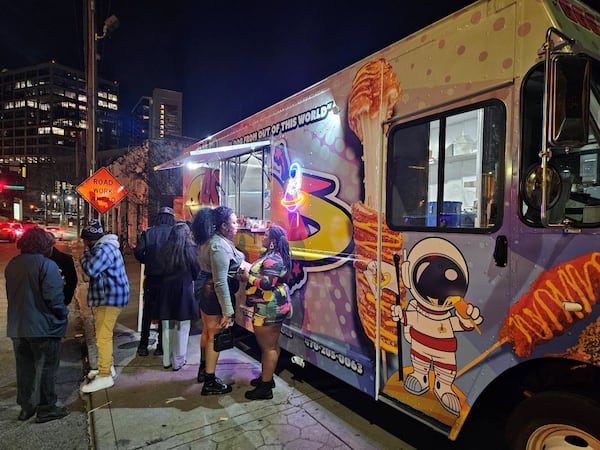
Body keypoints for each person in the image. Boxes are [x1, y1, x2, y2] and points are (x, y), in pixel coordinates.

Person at [5, 227, 70, 422]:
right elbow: (54, 298)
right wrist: (62, 314)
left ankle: (26, 407)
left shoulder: (12, 265)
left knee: (24, 368)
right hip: (44, 326)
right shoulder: (47, 265)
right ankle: (47, 407)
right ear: (44, 246)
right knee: (47, 367)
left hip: (18, 326)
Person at [191, 205, 244, 395]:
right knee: (214, 336)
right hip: (214, 293)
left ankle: (203, 370)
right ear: (223, 226)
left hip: (206, 290)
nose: (237, 226)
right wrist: (228, 311)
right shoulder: (218, 246)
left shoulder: (210, 241)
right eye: (234, 222)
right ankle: (210, 382)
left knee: (207, 332)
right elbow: (220, 282)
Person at [238, 224, 292, 400]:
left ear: (273, 241)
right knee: (272, 345)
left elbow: (268, 283)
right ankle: (266, 378)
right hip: (271, 306)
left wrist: (248, 277)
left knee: (267, 347)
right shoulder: (273, 256)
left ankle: (265, 388)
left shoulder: (273, 259)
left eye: (266, 235)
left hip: (268, 308)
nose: (263, 236)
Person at [79, 219, 130, 393]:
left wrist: (84, 255)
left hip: (111, 297)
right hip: (109, 296)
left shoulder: (104, 249)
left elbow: (91, 270)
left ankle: (105, 374)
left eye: (84, 240)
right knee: (104, 335)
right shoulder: (104, 247)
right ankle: (106, 367)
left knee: (103, 337)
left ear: (89, 239)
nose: (83, 243)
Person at [156, 222, 201, 371]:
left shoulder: (164, 249)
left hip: (166, 290)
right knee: (183, 326)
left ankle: (166, 360)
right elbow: (196, 273)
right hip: (184, 290)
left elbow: (159, 270)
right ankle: (178, 360)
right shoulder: (191, 250)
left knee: (166, 325)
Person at [134, 206, 177, 357]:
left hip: (152, 278)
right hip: (169, 279)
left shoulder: (148, 232)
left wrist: (149, 261)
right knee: (164, 313)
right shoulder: (174, 233)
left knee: (148, 312)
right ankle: (161, 346)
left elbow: (138, 252)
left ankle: (143, 346)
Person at [48, 239, 78, 305]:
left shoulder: (65, 259)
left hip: (58, 301)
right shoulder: (38, 260)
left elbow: (72, 281)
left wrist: (65, 300)